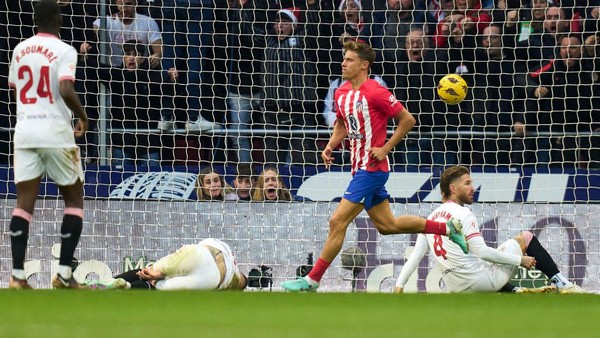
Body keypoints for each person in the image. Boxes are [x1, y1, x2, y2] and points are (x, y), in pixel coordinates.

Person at [281, 41, 467, 292]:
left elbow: (407, 120)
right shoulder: (341, 92)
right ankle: (446, 228)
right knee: (387, 225)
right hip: (358, 168)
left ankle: (311, 280)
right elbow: (342, 123)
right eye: (344, 59)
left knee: (337, 221)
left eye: (349, 60)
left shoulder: (376, 91)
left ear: (364, 65)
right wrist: (331, 144)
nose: (343, 63)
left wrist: (385, 148)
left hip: (373, 169)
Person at [395, 165, 586, 294]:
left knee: (479, 262)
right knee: (525, 238)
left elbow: (416, 256)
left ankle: (514, 291)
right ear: (453, 188)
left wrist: (399, 286)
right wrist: (520, 259)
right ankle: (564, 285)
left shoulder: (431, 218)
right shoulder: (464, 214)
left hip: (455, 289)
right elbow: (483, 252)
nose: (473, 187)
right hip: (478, 284)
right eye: (467, 183)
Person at [7, 0, 88, 289]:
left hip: (25, 132)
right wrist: (82, 115)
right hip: (55, 132)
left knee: (23, 204)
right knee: (74, 200)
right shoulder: (65, 50)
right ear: (58, 20)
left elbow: (15, 87)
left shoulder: (19, 50)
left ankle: (17, 276)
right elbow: (65, 87)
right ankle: (64, 274)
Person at [84, 40, 175, 167]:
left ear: (143, 58)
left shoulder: (154, 77)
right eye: (128, 53)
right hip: (123, 144)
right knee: (120, 182)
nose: (131, 57)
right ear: (123, 58)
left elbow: (169, 93)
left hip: (150, 144)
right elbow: (96, 68)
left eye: (136, 53)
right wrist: (87, 52)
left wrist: (172, 79)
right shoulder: (117, 76)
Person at [263, 8, 320, 165]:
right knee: (272, 160)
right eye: (277, 22)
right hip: (272, 109)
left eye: (285, 22)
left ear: (294, 25)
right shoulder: (267, 41)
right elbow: (247, 30)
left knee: (304, 157)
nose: (280, 25)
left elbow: (314, 26)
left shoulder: (304, 40)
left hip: (300, 108)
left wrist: (312, 4)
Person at [85, 238, 247, 290]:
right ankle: (125, 286)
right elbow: (241, 282)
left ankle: (109, 282)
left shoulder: (228, 250)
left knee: (148, 272)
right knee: (157, 286)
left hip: (199, 252)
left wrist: (161, 270)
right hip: (212, 276)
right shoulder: (232, 281)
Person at [82, 0, 162, 68]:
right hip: (113, 71)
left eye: (128, 4)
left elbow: (158, 49)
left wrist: (157, 55)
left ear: (135, 4)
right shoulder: (108, 21)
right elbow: (94, 27)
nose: (124, 8)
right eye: (121, 3)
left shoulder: (148, 22)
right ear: (116, 4)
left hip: (139, 71)